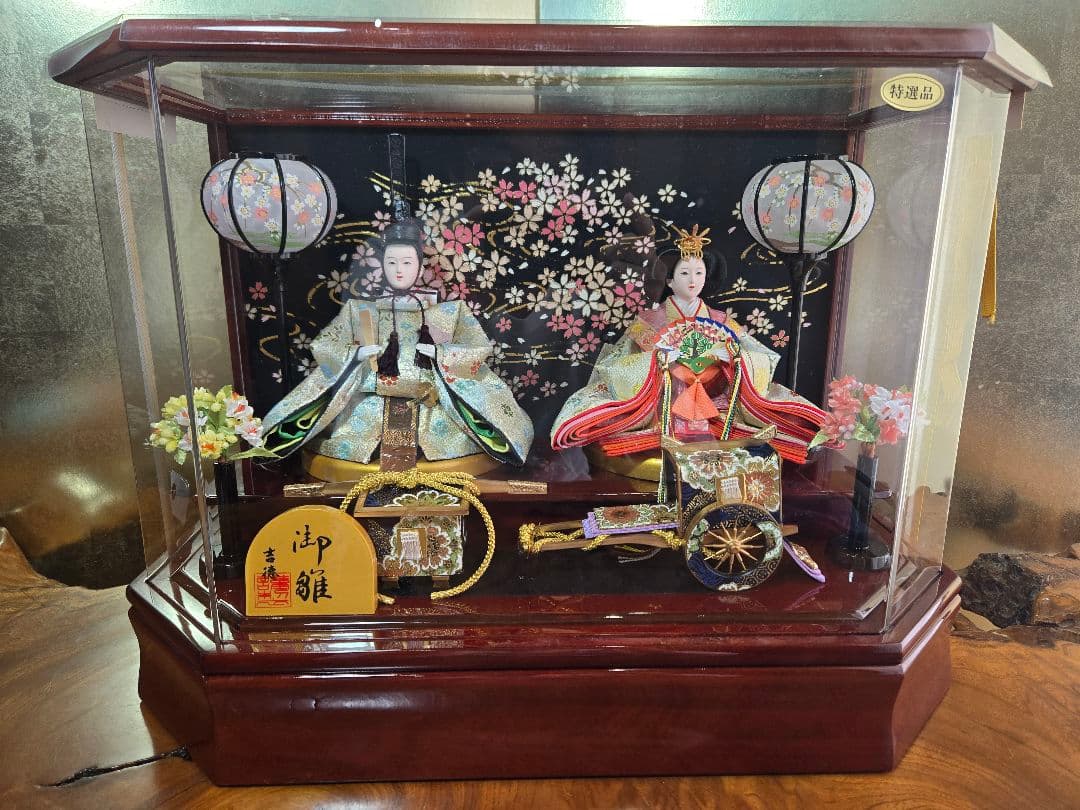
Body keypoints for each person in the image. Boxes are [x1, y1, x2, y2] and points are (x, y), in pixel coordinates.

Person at [261, 219, 533, 467]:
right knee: (353, 432)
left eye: (407, 263)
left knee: (451, 438)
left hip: (431, 405)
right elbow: (324, 346)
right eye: (391, 262)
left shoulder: (450, 312)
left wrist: (440, 353)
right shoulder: (360, 310)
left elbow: (478, 347)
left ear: (420, 267)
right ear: (381, 265)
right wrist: (355, 354)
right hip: (369, 404)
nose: (399, 270)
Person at [551, 225, 825, 464]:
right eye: (684, 273)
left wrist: (731, 357)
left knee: (765, 427)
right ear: (670, 280)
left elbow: (760, 357)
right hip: (661, 405)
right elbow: (617, 365)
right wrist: (658, 361)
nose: (693, 280)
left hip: (714, 405)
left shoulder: (720, 320)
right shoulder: (649, 322)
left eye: (699, 273)